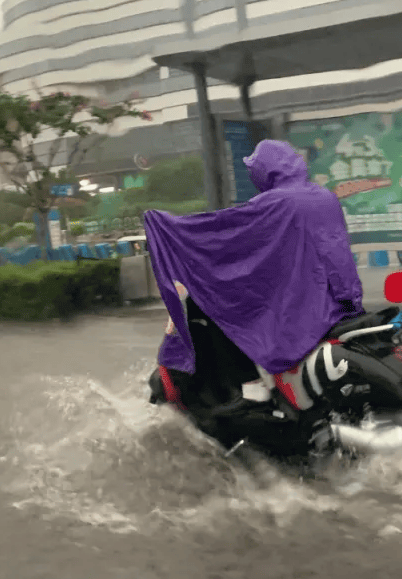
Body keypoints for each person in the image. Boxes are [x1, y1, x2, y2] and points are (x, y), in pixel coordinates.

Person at [145, 140, 363, 445]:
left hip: (301, 306)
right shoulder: (324, 197)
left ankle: (253, 389)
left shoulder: (274, 203)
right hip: (337, 301)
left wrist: (164, 226)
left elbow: (223, 229)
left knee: (237, 317)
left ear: (266, 170)